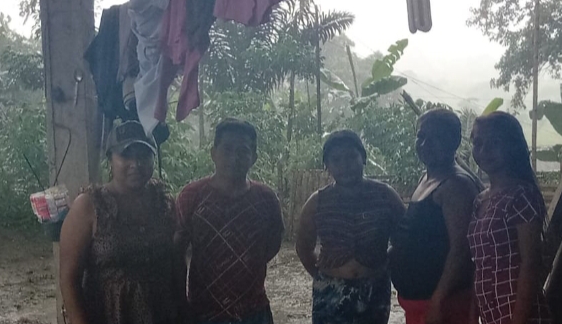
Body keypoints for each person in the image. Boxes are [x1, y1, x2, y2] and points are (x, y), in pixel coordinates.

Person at [58, 120, 179, 324]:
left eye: (143, 155)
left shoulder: (164, 203)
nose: (136, 164)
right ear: (110, 160)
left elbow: (175, 265)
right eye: (126, 155)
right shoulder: (89, 206)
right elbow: (69, 278)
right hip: (107, 315)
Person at [175, 119, 284, 324]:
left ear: (254, 158)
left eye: (243, 151)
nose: (234, 158)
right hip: (202, 311)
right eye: (227, 149)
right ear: (213, 153)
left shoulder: (266, 199)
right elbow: (177, 251)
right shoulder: (191, 196)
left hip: (253, 311)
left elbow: (272, 245)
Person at [296, 130, 406, 324]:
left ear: (363, 158)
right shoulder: (318, 202)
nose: (345, 165)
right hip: (330, 293)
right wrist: (326, 278)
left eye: (351, 157)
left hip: (374, 290)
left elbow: (404, 239)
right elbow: (304, 247)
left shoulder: (385, 196)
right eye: (336, 160)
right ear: (327, 165)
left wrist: (381, 266)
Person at [389, 109, 483, 324]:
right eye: (421, 136)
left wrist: (438, 300)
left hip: (443, 305)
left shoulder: (456, 186)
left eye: (435, 137)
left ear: (454, 141)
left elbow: (461, 250)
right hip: (419, 302)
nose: (425, 144)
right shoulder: (427, 178)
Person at [468, 111, 553, 324]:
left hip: (521, 315)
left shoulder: (521, 195)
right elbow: (480, 265)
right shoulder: (480, 200)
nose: (484, 150)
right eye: (478, 143)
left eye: (495, 143)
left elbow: (530, 263)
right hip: (491, 314)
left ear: (512, 146)